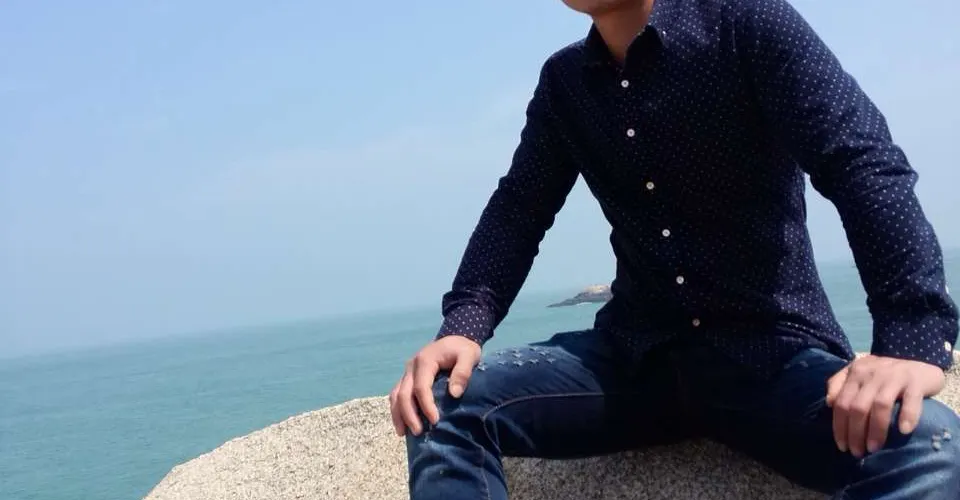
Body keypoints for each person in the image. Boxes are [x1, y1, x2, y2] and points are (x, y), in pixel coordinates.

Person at [389, 0, 960, 498]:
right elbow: (519, 209)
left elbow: (860, 160)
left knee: (929, 443)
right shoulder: (566, 82)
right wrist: (463, 327)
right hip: (636, 359)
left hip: (770, 358)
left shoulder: (745, 23)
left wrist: (909, 336)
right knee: (439, 404)